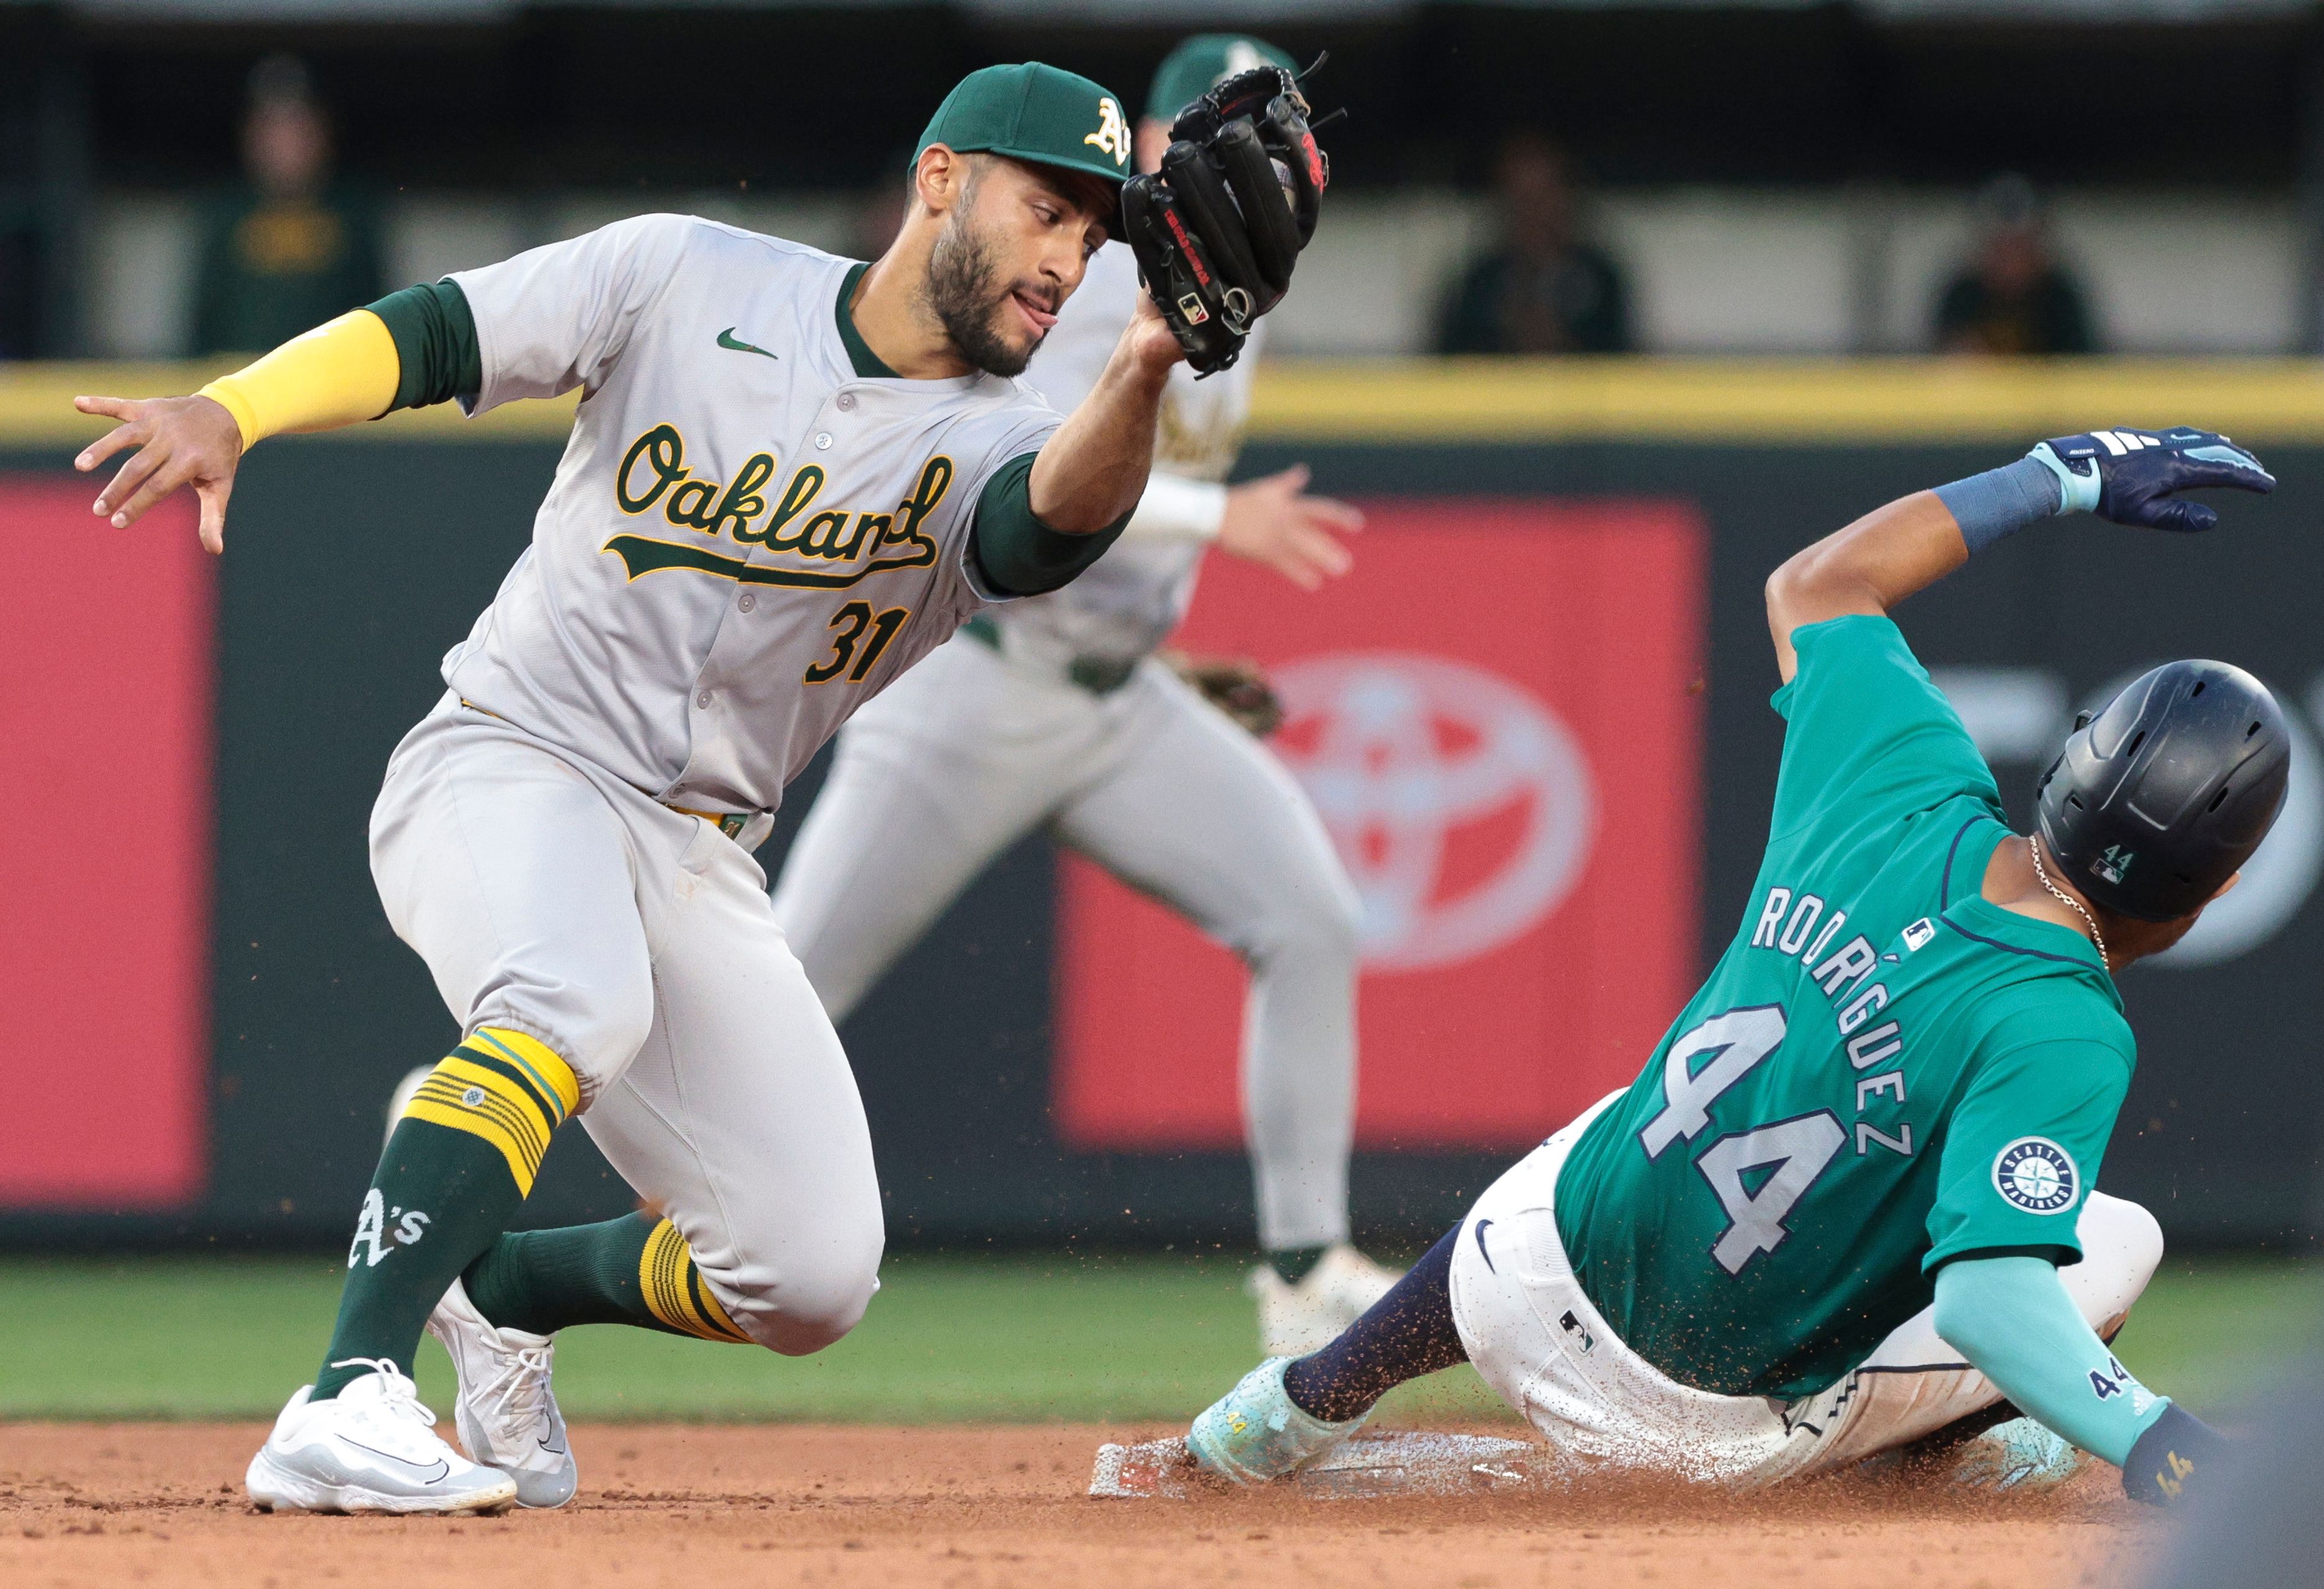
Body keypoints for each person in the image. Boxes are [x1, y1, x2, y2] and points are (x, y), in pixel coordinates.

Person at [71, 61, 1202, 1516]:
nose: (1065, 258)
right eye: (1046, 207)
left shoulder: (1010, 429)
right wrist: (238, 408)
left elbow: (1043, 536)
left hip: (693, 851)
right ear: (938, 179)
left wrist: (1144, 364)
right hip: (513, 753)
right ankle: (345, 1389)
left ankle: (502, 1284)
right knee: (567, 999)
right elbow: (441, 333)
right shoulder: (682, 272)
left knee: (807, 1271)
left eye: (1093, 238)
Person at [1181, 423, 2284, 1506]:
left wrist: (2056, 478)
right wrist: (2169, 1451)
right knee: (2106, 1237)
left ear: (2068, 763)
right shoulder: (2064, 1023)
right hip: (1700, 1437)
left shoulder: (1903, 780)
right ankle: (1930, 1465)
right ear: (2223, 886)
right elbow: (1991, 1305)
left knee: (1647, 1107)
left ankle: (1296, 1401)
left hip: (1511, 1286)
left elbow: (1817, 586)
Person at [769, 34, 1392, 1358]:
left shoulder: (1243, 290)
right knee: (775, 998)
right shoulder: (1097, 277)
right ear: (1160, 146)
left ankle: (1302, 1264)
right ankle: (486, 1113)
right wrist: (1221, 519)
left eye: (1276, 154)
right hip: (975, 687)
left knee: (1309, 916)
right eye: (1222, 146)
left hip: (1115, 698)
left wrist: (1168, 660)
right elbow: (1025, 475)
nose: (1257, 179)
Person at [189, 55, 384, 357]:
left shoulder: (352, 213)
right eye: (271, 128)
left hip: (331, 390)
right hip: (239, 391)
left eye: (297, 127)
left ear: (322, 132)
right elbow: (202, 324)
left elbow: (378, 319)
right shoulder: (226, 214)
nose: (284, 143)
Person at [1436, 132, 1629, 356]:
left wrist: (1562, 344)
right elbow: (1447, 364)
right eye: (1522, 200)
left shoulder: (1600, 279)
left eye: (1543, 197)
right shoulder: (1479, 284)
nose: (1534, 213)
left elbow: (1623, 359)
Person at [1931, 174, 2096, 357]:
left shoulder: (2060, 299)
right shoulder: (1962, 296)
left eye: (2020, 245)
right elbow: (1941, 362)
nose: (2011, 259)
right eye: (2001, 247)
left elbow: (2080, 365)